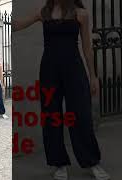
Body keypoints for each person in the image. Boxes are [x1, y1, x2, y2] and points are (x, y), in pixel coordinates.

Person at [13, 0, 110, 180]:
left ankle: (91, 162)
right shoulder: (44, 12)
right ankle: (59, 164)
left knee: (81, 114)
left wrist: (93, 76)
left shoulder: (81, 13)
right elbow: (17, 25)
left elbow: (87, 47)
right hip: (49, 70)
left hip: (74, 68)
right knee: (52, 116)